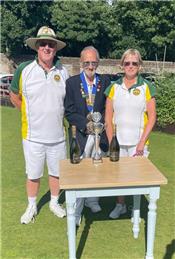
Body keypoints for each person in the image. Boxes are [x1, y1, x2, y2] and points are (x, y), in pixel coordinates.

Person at [9, 26, 69, 224]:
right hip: (32, 136)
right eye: (42, 44)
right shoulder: (24, 69)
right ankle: (32, 205)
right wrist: (29, 114)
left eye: (51, 44)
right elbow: (13, 94)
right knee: (33, 174)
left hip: (58, 136)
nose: (46, 47)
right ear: (37, 47)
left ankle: (54, 202)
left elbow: (68, 101)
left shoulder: (64, 71)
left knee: (56, 173)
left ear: (55, 48)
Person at [105, 49, 156, 219]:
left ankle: (135, 209)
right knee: (119, 177)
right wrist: (112, 141)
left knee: (136, 179)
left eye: (134, 63)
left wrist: (142, 143)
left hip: (137, 143)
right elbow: (108, 118)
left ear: (140, 66)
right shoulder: (113, 87)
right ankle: (120, 205)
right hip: (118, 143)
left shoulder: (146, 87)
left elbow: (152, 118)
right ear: (122, 65)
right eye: (127, 63)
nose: (130, 66)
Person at [64, 46, 110, 226]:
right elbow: (69, 111)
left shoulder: (104, 81)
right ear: (81, 63)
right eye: (87, 62)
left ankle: (92, 200)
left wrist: (103, 123)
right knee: (79, 172)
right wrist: (86, 124)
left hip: (99, 135)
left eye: (93, 62)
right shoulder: (72, 83)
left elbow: (108, 107)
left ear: (98, 63)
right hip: (81, 135)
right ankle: (76, 211)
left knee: (96, 169)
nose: (90, 66)